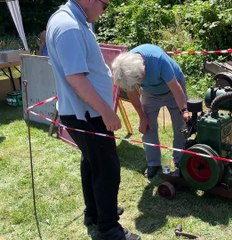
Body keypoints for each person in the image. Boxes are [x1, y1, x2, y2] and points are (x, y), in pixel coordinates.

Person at [46, 1, 140, 239]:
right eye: (105, 4)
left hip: (83, 113)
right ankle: (108, 228)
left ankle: (96, 212)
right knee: (107, 168)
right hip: (88, 114)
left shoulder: (74, 20)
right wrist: (107, 112)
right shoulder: (69, 26)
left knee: (92, 163)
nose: (104, 10)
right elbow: (76, 79)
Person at [112, 44, 191, 179]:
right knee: (148, 128)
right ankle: (153, 163)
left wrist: (184, 110)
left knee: (181, 127)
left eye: (138, 81)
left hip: (173, 90)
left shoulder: (157, 59)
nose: (138, 84)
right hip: (150, 93)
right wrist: (142, 117)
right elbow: (132, 95)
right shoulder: (125, 69)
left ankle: (179, 161)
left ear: (142, 71)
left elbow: (176, 88)